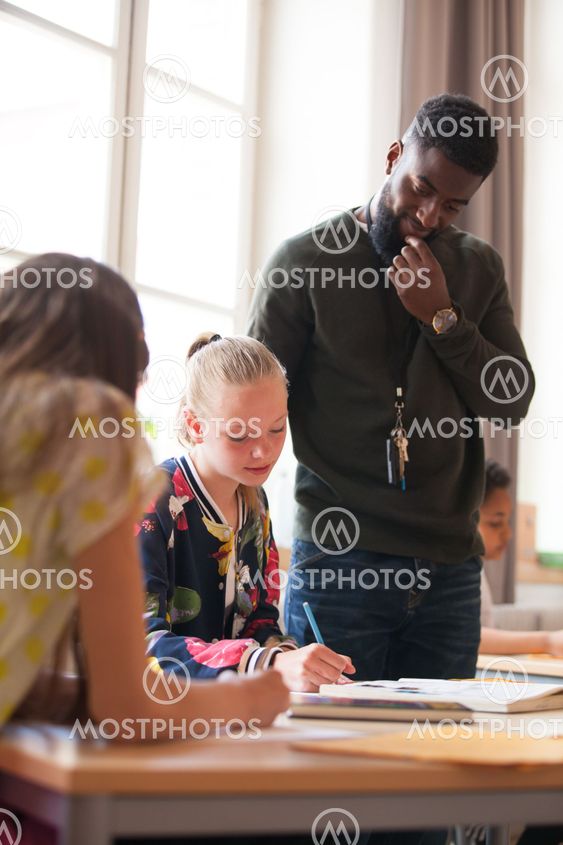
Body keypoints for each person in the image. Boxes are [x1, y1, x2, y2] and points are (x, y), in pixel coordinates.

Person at [247, 93, 535, 690]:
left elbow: (511, 400)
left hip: (450, 570)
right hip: (338, 562)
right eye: (421, 188)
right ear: (393, 156)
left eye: (452, 205)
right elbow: (251, 407)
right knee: (331, 744)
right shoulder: (302, 263)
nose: (429, 215)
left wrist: (444, 319)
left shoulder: (479, 268)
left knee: (439, 747)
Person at [0, 254, 289, 736]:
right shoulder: (93, 426)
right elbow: (127, 706)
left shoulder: (254, 506)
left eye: (277, 428)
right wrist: (249, 694)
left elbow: (28, 687)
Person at [138, 332, 355, 691]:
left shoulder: (256, 502)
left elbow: (259, 619)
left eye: (277, 428)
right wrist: (266, 662)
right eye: (240, 434)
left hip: (231, 708)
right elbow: (141, 644)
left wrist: (289, 658)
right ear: (195, 426)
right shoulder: (151, 500)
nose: (264, 451)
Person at [479, 460, 563, 656]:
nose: (508, 534)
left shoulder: (476, 570)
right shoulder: (451, 571)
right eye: (495, 523)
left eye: (507, 522)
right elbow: (464, 636)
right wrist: (547, 642)